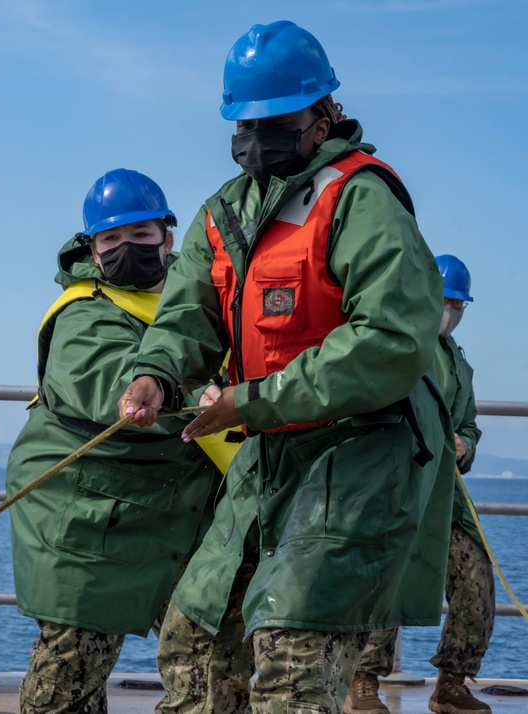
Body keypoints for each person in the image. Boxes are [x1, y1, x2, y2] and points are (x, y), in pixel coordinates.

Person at [117, 21, 456, 713]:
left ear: (324, 114)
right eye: (245, 123)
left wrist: (255, 399)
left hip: (359, 453)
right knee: (194, 643)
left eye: (276, 120)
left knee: (294, 663)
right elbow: (186, 317)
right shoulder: (225, 213)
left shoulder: (359, 197)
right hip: (269, 454)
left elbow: (391, 338)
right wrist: (153, 373)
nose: (256, 137)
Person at [7, 168, 229, 714]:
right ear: (93, 247)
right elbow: (110, 388)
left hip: (181, 504)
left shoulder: (201, 299)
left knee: (214, 666)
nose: (126, 247)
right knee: (68, 675)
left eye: (140, 234)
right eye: (111, 238)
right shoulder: (82, 312)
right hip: (86, 513)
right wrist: (203, 397)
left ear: (167, 238)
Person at [346, 254, 492, 714]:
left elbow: (468, 424)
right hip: (397, 489)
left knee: (476, 579)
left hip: (445, 501)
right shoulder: (397, 344)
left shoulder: (459, 365)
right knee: (386, 582)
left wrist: (463, 446)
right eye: (445, 298)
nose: (450, 309)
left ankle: (451, 683)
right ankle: (362, 681)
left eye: (458, 303)